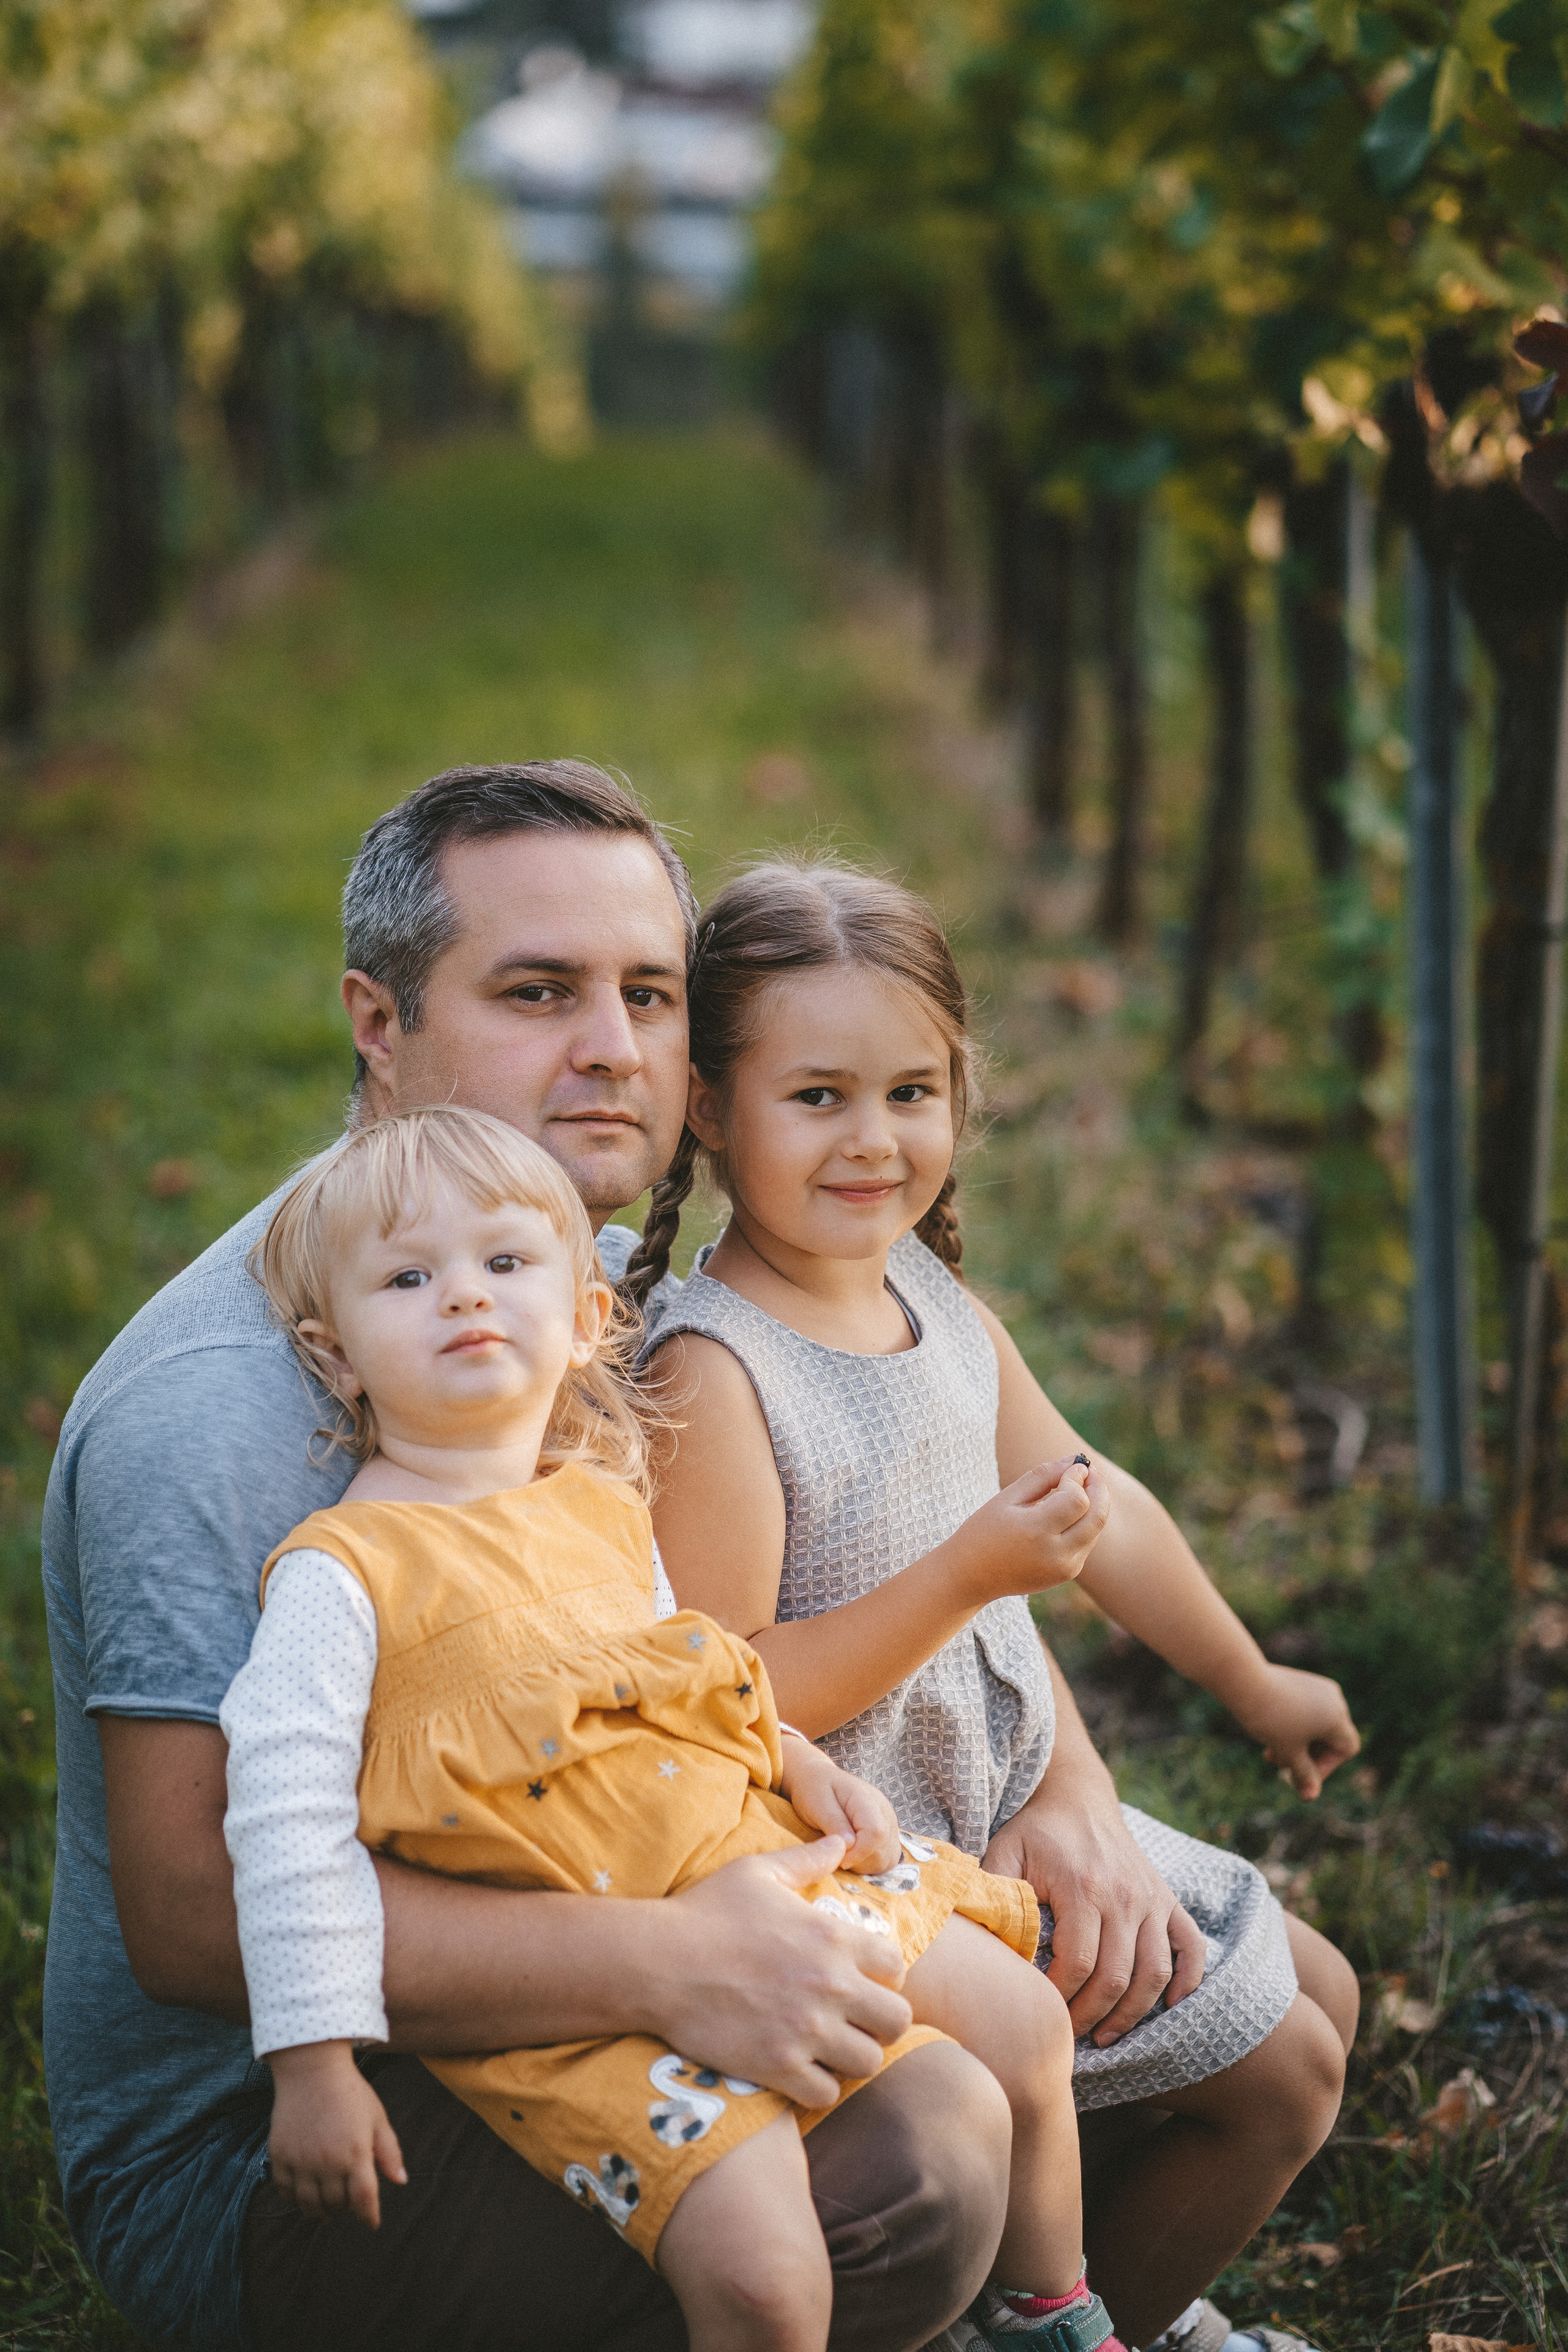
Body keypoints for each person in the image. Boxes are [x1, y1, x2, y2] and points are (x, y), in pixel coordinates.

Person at [42, 758, 1350, 2351]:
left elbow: (890, 1537)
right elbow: (193, 1924)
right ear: (377, 1023)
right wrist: (677, 1962)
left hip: (655, 1859)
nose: (612, 1050)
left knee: (1282, 2012)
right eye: (538, 992)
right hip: (296, 2131)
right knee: (921, 2162)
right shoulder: (228, 1409)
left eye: (651, 994)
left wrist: (1066, 1788)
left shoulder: (573, 1279)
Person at [224, 1104, 1127, 2352]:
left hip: (751, 1874)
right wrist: (311, 2065)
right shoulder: (344, 1576)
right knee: (762, 2278)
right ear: (337, 1357)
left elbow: (694, 1684)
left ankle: (1052, 2321)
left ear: (586, 1317)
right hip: (583, 1987)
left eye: (503, 1264)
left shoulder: (595, 1502)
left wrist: (800, 1766)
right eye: (406, 1278)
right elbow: (279, 1833)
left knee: (1025, 2025)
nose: (462, 1299)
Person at [632, 857, 1365, 2352]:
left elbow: (1098, 1509)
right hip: (873, 1873)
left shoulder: (930, 1299)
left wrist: (1249, 1681)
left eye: (912, 1092)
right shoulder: (714, 1374)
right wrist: (962, 1575)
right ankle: (1070, 2323)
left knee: (1326, 1993)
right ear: (708, 1108)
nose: (873, 1141)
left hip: (986, 1810)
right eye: (816, 1096)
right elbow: (730, 1708)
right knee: (1284, 2070)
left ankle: (1101, 2289)